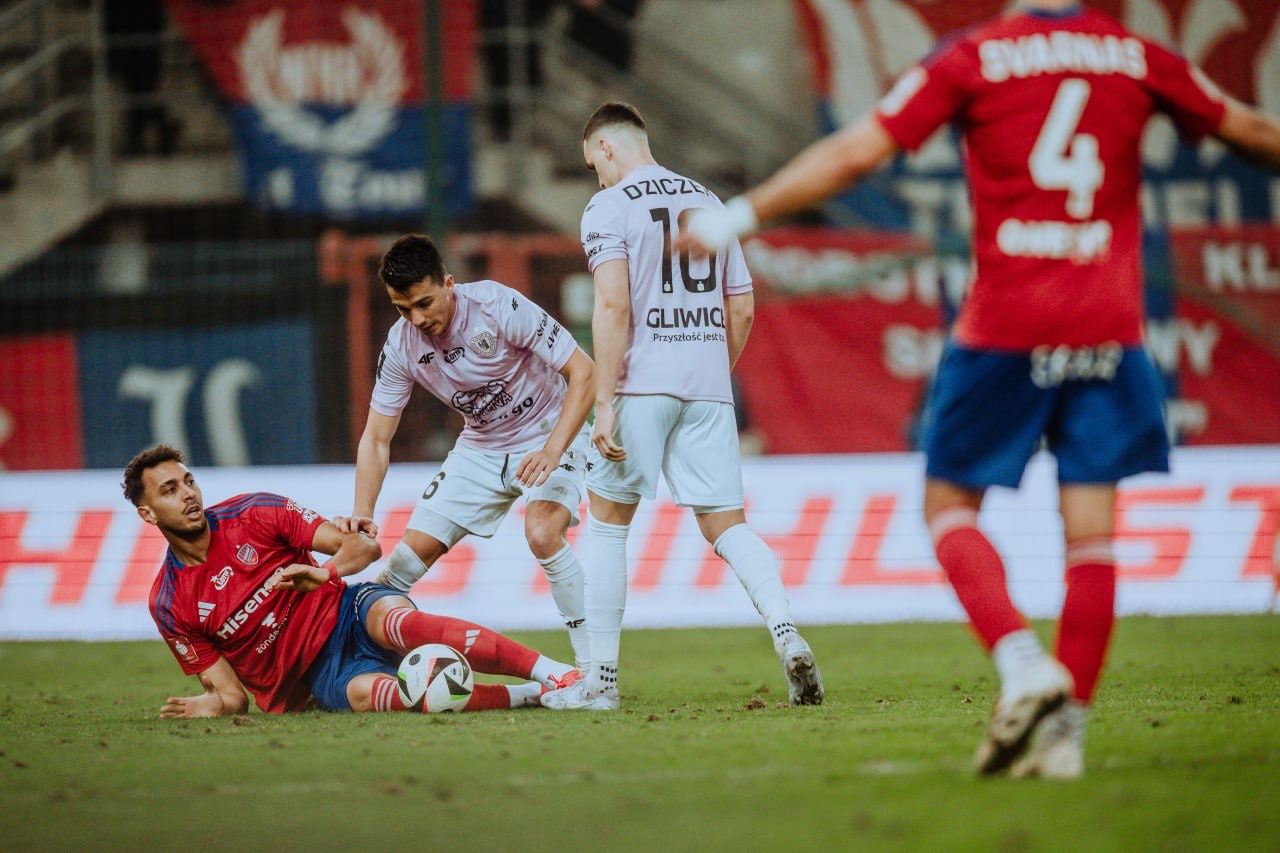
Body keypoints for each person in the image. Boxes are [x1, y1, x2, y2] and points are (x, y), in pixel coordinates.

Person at [680, 0, 1280, 777]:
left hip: (1007, 322)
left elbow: (859, 151)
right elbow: (1249, 129)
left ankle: (1023, 662)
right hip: (1107, 322)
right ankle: (1066, 739)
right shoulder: (1135, 57)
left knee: (948, 504)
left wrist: (737, 216)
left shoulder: (977, 57)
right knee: (1091, 534)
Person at [540, 102, 825, 712]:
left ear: (607, 148)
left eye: (593, 165)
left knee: (608, 525)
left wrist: (605, 401)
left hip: (640, 384)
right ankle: (785, 630)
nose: (596, 177)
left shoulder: (608, 207)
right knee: (728, 523)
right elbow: (741, 307)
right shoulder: (709, 201)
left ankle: (601, 683)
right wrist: (712, 377)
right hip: (706, 384)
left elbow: (613, 305)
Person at [124, 444, 578, 717]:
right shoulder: (170, 603)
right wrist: (212, 705)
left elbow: (363, 547)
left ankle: (558, 673)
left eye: (188, 481)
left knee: (396, 622)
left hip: (348, 611)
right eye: (170, 490)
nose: (188, 495)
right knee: (370, 695)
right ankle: (530, 695)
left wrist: (325, 571)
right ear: (148, 513)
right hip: (319, 674)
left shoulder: (254, 513)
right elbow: (230, 696)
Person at [340, 234, 596, 673]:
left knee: (542, 532)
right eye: (403, 309)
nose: (417, 319)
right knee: (399, 567)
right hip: (480, 447)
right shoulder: (401, 345)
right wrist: (362, 513)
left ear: (449, 283)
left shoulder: (497, 306)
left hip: (549, 430)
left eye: (424, 303)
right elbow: (376, 438)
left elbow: (584, 372)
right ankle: (360, 665)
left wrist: (554, 449)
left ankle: (595, 671)